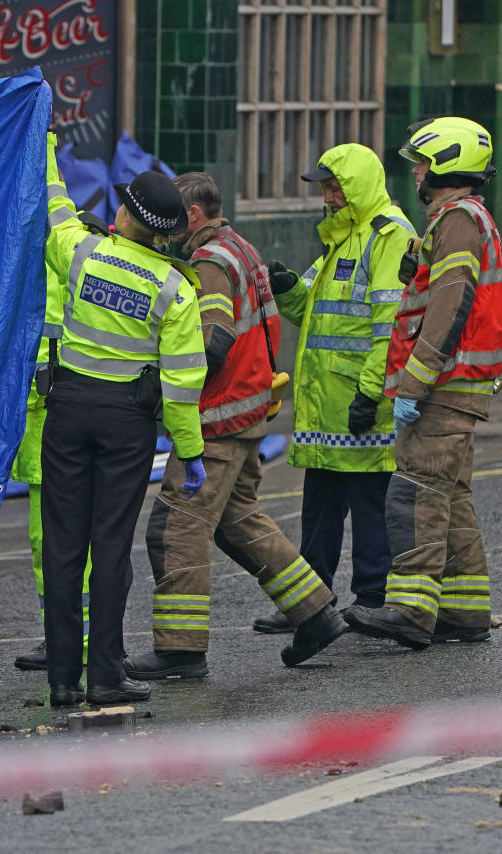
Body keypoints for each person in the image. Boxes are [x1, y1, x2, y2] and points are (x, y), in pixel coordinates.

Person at [125, 172, 347, 679]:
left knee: (178, 527)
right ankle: (315, 612)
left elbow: (215, 337)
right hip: (248, 411)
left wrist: (166, 388)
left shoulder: (210, 263)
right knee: (239, 521)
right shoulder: (240, 249)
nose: (167, 229)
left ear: (196, 216)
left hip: (217, 419)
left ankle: (180, 650)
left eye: (176, 219)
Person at [40, 133, 207, 707]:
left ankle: (61, 679)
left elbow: (56, 211)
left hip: (67, 410)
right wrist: (189, 451)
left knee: (63, 546)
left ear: (123, 214)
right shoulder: (173, 289)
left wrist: (44, 152)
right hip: (126, 424)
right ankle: (105, 677)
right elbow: (184, 382)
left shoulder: (81, 253)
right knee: (109, 549)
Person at [345, 117, 502, 648]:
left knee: (414, 492)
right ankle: (464, 610)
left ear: (441, 165)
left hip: (443, 384)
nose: (414, 172)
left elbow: (450, 301)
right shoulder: (462, 220)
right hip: (462, 384)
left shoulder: (459, 219)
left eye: (420, 162)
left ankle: (410, 610)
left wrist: (415, 381)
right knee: (450, 496)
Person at [255, 144, 417, 633]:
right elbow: (313, 312)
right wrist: (287, 287)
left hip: (359, 402)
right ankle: (310, 602)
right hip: (328, 409)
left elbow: (389, 322)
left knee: (371, 507)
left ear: (358, 186)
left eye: (334, 187)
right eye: (324, 188)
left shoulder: (389, 235)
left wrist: (371, 393)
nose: (327, 198)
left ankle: (371, 598)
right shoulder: (340, 239)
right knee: (320, 511)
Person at [10, 215, 104, 673]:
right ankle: (61, 635)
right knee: (43, 539)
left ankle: (77, 639)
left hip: (58, 412)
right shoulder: (35, 259)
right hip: (37, 415)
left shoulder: (74, 262)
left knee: (66, 540)